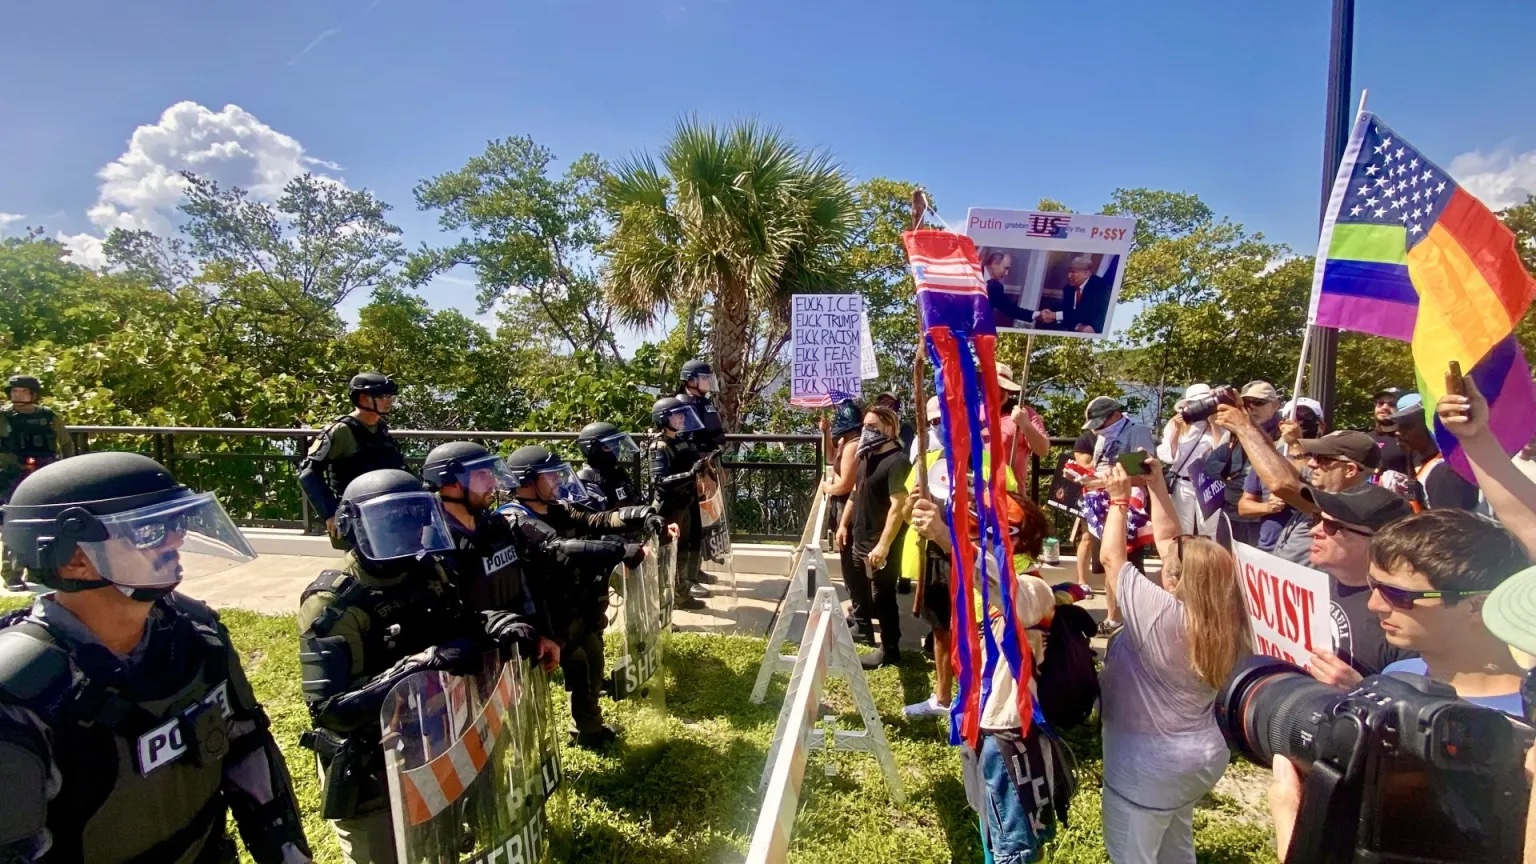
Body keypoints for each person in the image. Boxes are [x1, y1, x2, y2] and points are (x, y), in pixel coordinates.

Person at [0, 452, 312, 863]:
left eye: (175, 522)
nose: (175, 539)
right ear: (75, 559)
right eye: (149, 530)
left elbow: (248, 748)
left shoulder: (195, 632)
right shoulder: (21, 689)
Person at [298, 468, 536, 862]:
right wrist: (419, 665)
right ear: (353, 527)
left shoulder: (428, 571)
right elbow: (331, 712)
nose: (406, 529)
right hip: (372, 765)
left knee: (438, 848)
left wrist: (497, 622)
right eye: (391, 519)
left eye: (413, 515)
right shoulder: (332, 604)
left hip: (432, 740)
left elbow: (460, 622)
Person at [1099, 458, 1251, 864]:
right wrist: (1158, 488)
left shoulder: (1161, 618)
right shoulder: (1226, 614)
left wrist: (1118, 502)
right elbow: (1173, 544)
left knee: (1133, 854)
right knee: (1175, 846)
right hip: (1198, 757)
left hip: (1145, 766)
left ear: (1174, 579)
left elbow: (1113, 562)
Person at [908, 487, 1065, 862]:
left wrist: (947, 537)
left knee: (1014, 844)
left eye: (982, 532)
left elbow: (1003, 590)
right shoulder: (982, 587)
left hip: (1011, 732)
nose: (974, 538)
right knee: (992, 830)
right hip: (981, 722)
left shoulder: (1034, 588)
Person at [503, 445, 651, 746]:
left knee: (592, 665)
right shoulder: (513, 519)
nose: (558, 481)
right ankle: (534, 753)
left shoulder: (559, 507)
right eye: (550, 475)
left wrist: (643, 514)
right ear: (528, 481)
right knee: (540, 689)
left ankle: (588, 730)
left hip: (575, 606)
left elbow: (599, 520)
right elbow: (560, 546)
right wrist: (621, 551)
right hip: (543, 618)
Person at [1367, 509, 1531, 715]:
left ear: (1477, 605)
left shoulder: (1527, 715)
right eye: (1373, 584)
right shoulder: (1397, 676)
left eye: (1397, 594)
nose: (1374, 605)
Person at [421, 441, 561, 669]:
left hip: (519, 646)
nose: (492, 483)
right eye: (483, 475)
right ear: (453, 482)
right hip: (474, 664)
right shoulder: (434, 541)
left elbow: (522, 584)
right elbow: (448, 617)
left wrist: (542, 633)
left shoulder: (495, 524)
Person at [1299, 483, 1416, 687]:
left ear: (1378, 542)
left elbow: (1409, 712)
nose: (1314, 531)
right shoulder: (1309, 583)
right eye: (1318, 519)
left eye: (1332, 526)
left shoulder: (1401, 618)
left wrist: (1359, 689)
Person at [835, 406, 912, 668]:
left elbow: (898, 507)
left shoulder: (898, 462)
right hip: (859, 536)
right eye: (865, 425)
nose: (867, 431)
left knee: (883, 596)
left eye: (874, 427)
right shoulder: (866, 456)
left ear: (890, 429)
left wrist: (883, 545)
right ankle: (863, 627)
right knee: (859, 588)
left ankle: (890, 649)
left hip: (880, 543)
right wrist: (844, 523)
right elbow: (856, 492)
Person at [298, 372, 407, 544]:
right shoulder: (341, 430)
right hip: (356, 515)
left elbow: (398, 468)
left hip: (385, 513)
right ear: (363, 399)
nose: (389, 401)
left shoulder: (381, 428)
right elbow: (308, 473)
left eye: (390, 396)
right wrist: (331, 513)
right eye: (382, 396)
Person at [0, 374, 74, 591]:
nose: (17, 395)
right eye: (14, 391)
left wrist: (66, 470)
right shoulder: (3, 417)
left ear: (33, 394)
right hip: (13, 476)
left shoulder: (48, 416)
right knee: (14, 523)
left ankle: (40, 570)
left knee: (46, 522)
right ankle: (12, 573)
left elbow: (66, 443)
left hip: (45, 475)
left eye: (22, 391)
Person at [1204, 381, 1283, 547]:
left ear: (1275, 405)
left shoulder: (1285, 435)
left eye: (1258, 402)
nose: (1251, 407)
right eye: (1246, 403)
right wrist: (1241, 476)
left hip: (1265, 519)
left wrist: (1237, 478)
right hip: (1231, 515)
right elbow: (1211, 465)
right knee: (1228, 566)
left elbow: (1280, 476)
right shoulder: (1235, 431)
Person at [648, 396, 710, 610]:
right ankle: (663, 601)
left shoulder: (681, 440)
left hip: (686, 502)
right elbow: (659, 481)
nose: (682, 418)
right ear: (663, 418)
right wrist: (689, 474)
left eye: (683, 414)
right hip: (669, 508)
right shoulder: (659, 446)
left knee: (684, 550)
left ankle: (681, 594)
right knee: (667, 555)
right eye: (677, 415)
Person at [1389, 393, 1482, 511]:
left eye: (1407, 426)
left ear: (1428, 426)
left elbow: (1449, 524)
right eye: (1398, 427)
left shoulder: (1446, 471)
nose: (1398, 433)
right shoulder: (1418, 461)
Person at [1158, 383, 1220, 536]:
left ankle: (1209, 560)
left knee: (1209, 529)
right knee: (1182, 529)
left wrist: (1214, 424)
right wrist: (1177, 431)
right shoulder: (1176, 423)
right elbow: (1168, 457)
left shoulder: (1218, 422)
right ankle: (1184, 559)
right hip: (1183, 482)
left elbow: (1221, 452)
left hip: (1209, 482)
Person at [996, 362, 1050, 488]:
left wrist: (1025, 424)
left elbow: (1043, 450)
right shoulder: (976, 413)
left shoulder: (1024, 413)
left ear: (1006, 390)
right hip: (980, 497)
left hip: (1011, 496)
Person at [575, 421, 645, 511]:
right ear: (592, 450)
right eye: (609, 446)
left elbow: (637, 502)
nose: (616, 450)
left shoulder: (617, 474)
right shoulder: (585, 482)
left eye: (616, 444)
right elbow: (596, 518)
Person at [1039, 255, 1113, 334]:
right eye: (1069, 272)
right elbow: (1067, 312)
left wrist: (1055, 315)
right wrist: (1049, 312)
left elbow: (1084, 314)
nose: (1068, 276)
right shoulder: (1068, 289)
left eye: (1073, 272)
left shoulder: (1099, 286)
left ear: (1086, 274)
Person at [677, 358, 726, 457]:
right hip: (693, 462)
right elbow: (682, 439)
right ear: (690, 380)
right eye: (704, 378)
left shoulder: (703, 402)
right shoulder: (682, 405)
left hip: (710, 456)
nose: (709, 381)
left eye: (709, 378)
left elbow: (717, 434)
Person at [983, 251, 1040, 326]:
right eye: (1006, 268)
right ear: (994, 264)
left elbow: (1010, 309)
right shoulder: (970, 272)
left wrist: (1037, 315)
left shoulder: (996, 287)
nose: (1006, 273)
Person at [1370, 386, 1411, 475]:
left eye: (1392, 404)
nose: (1384, 407)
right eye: (1380, 403)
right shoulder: (1365, 438)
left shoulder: (1411, 440)